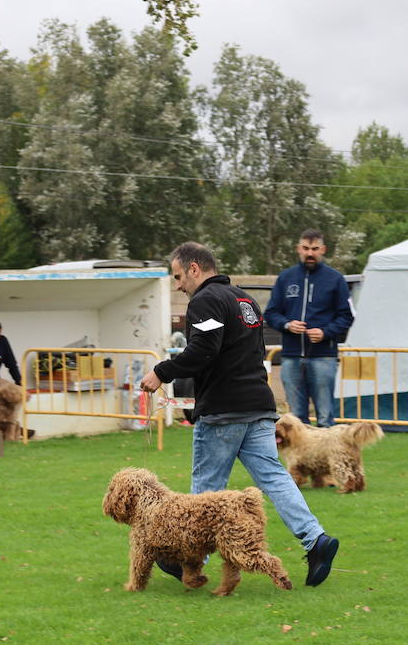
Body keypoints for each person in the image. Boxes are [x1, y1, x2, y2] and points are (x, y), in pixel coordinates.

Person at [141, 241, 339, 586]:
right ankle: (316, 540)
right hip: (258, 406)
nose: (177, 286)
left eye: (177, 277)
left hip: (223, 410)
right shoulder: (245, 300)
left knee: (205, 490)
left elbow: (203, 350)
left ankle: (189, 559)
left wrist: (162, 371)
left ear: (194, 269)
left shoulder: (205, 301)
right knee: (275, 479)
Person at [263, 229, 354, 427]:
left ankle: (328, 457)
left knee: (324, 415)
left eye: (314, 249)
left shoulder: (336, 279)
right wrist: (287, 325)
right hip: (291, 357)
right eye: (305, 248)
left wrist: (325, 332)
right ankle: (302, 459)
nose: (309, 253)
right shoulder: (285, 278)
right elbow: (270, 314)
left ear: (323, 250)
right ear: (298, 249)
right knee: (296, 419)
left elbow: (347, 316)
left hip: (323, 357)